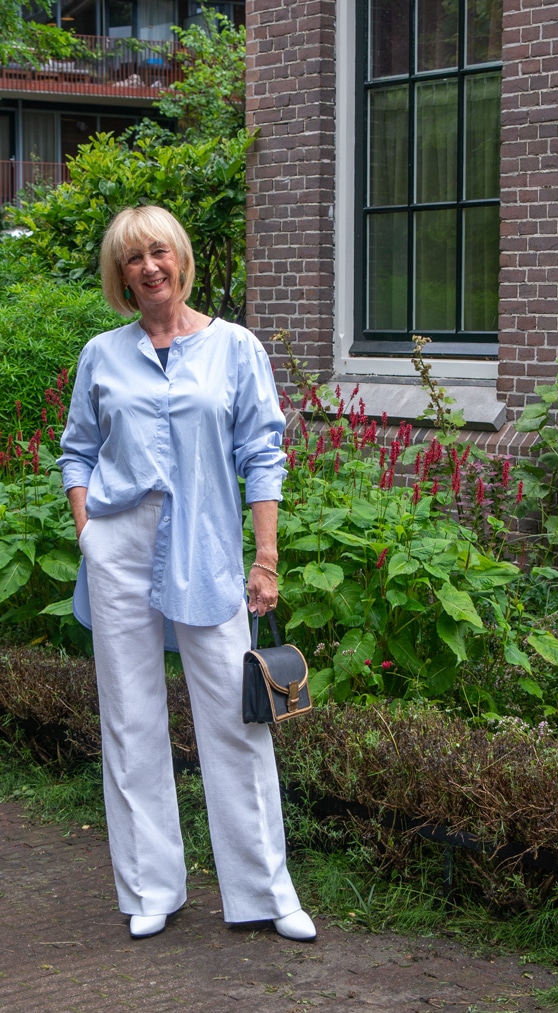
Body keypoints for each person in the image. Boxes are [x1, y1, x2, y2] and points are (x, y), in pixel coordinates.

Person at [57, 205, 316, 943]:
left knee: (237, 720)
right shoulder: (102, 355)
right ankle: (150, 887)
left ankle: (266, 891)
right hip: (119, 549)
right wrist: (89, 534)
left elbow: (262, 454)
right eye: (132, 257)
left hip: (205, 548)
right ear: (120, 275)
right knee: (130, 717)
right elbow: (76, 450)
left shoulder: (234, 347)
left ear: (181, 259)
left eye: (158, 251)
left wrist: (264, 559)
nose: (148, 266)